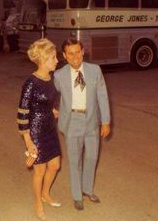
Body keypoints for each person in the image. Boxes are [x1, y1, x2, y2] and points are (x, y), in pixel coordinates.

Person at [54, 38, 111, 210]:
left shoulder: (95, 70)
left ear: (83, 51)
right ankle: (77, 195)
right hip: (72, 122)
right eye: (70, 53)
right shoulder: (59, 75)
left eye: (77, 52)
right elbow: (51, 95)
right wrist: (53, 108)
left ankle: (87, 189)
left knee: (92, 157)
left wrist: (106, 121)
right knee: (74, 160)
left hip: (92, 120)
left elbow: (102, 96)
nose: (75, 57)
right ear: (64, 55)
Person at [17, 38, 61, 220]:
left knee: (55, 165)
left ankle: (45, 193)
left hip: (50, 128)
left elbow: (47, 101)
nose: (57, 60)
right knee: (40, 170)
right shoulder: (30, 83)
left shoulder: (51, 78)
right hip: (35, 131)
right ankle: (38, 202)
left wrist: (52, 109)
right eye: (53, 57)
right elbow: (22, 113)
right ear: (43, 60)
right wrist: (28, 141)